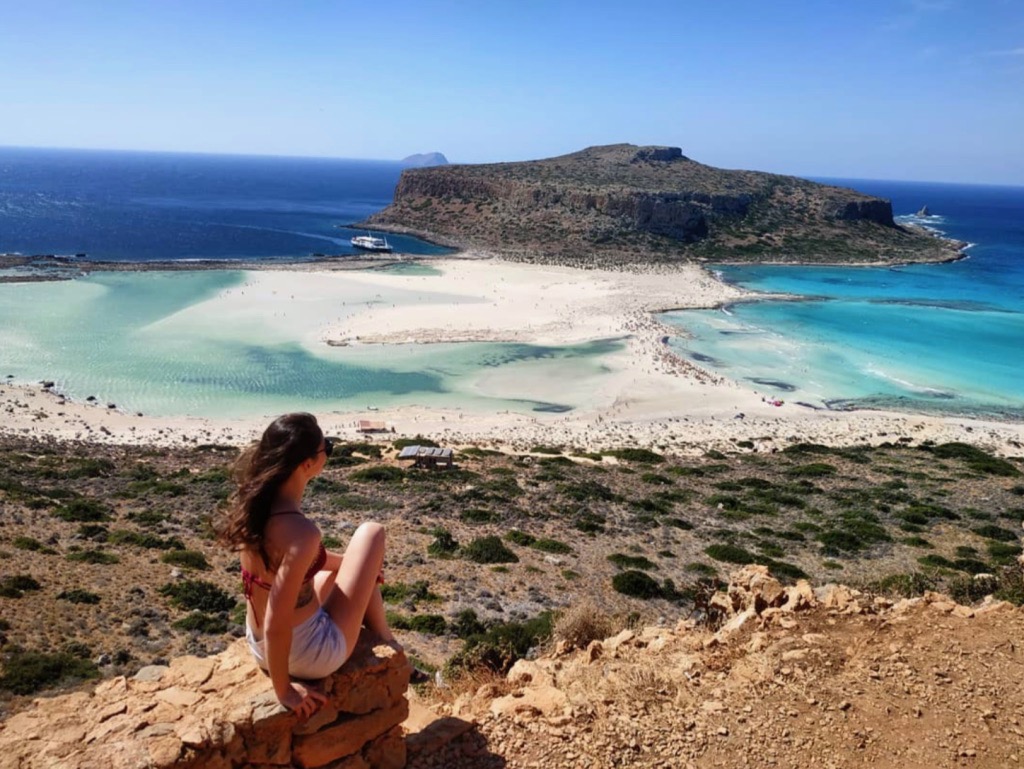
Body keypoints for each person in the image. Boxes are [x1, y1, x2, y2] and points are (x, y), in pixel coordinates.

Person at [216, 412, 395, 719]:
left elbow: (307, 566)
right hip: (307, 654)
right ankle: (390, 644)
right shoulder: (302, 533)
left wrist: (357, 570)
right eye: (326, 447)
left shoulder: (253, 509)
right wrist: (284, 691)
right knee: (372, 531)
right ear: (307, 465)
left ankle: (390, 643)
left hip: (259, 647)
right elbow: (277, 620)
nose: (328, 450)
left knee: (334, 575)